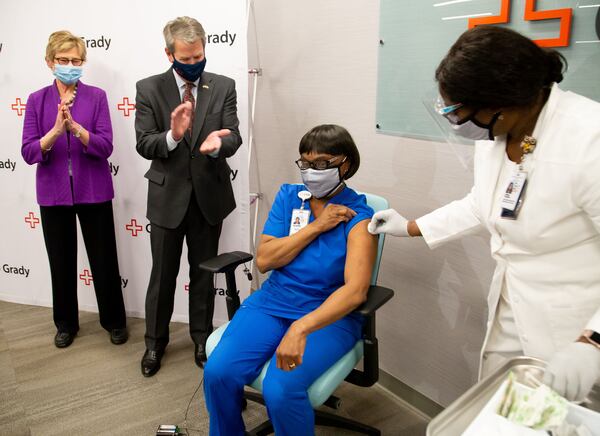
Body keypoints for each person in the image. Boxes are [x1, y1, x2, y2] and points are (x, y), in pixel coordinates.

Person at [369, 26, 600, 402]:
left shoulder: (590, 138)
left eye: (459, 112)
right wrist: (409, 226)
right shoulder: (498, 134)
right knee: (507, 413)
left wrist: (592, 343)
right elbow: (484, 203)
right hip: (513, 304)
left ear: (502, 103)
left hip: (575, 328)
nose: (457, 124)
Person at [203, 124, 377, 435]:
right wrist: (316, 227)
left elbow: (355, 291)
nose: (312, 171)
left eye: (322, 163)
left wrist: (301, 326)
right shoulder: (290, 198)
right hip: (272, 303)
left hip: (327, 317)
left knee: (280, 389)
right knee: (218, 371)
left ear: (345, 163)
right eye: (306, 163)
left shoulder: (359, 218)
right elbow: (266, 260)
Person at [135, 16, 242, 377]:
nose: (195, 64)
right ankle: (155, 343)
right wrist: (173, 135)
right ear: (169, 54)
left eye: (199, 56)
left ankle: (201, 338)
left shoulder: (223, 85)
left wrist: (217, 146)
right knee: (162, 276)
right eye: (187, 58)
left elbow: (234, 136)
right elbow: (144, 143)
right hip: (168, 201)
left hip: (209, 198)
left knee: (203, 274)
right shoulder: (149, 89)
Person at [21, 31, 127, 348]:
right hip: (53, 196)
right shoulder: (37, 100)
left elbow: (105, 146)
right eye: (63, 60)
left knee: (104, 260)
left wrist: (78, 129)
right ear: (50, 62)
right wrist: (55, 130)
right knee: (61, 261)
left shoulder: (96, 97)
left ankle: (114, 321)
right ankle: (66, 323)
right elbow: (29, 152)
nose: (70, 65)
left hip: (93, 191)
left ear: (83, 62)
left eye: (76, 60)